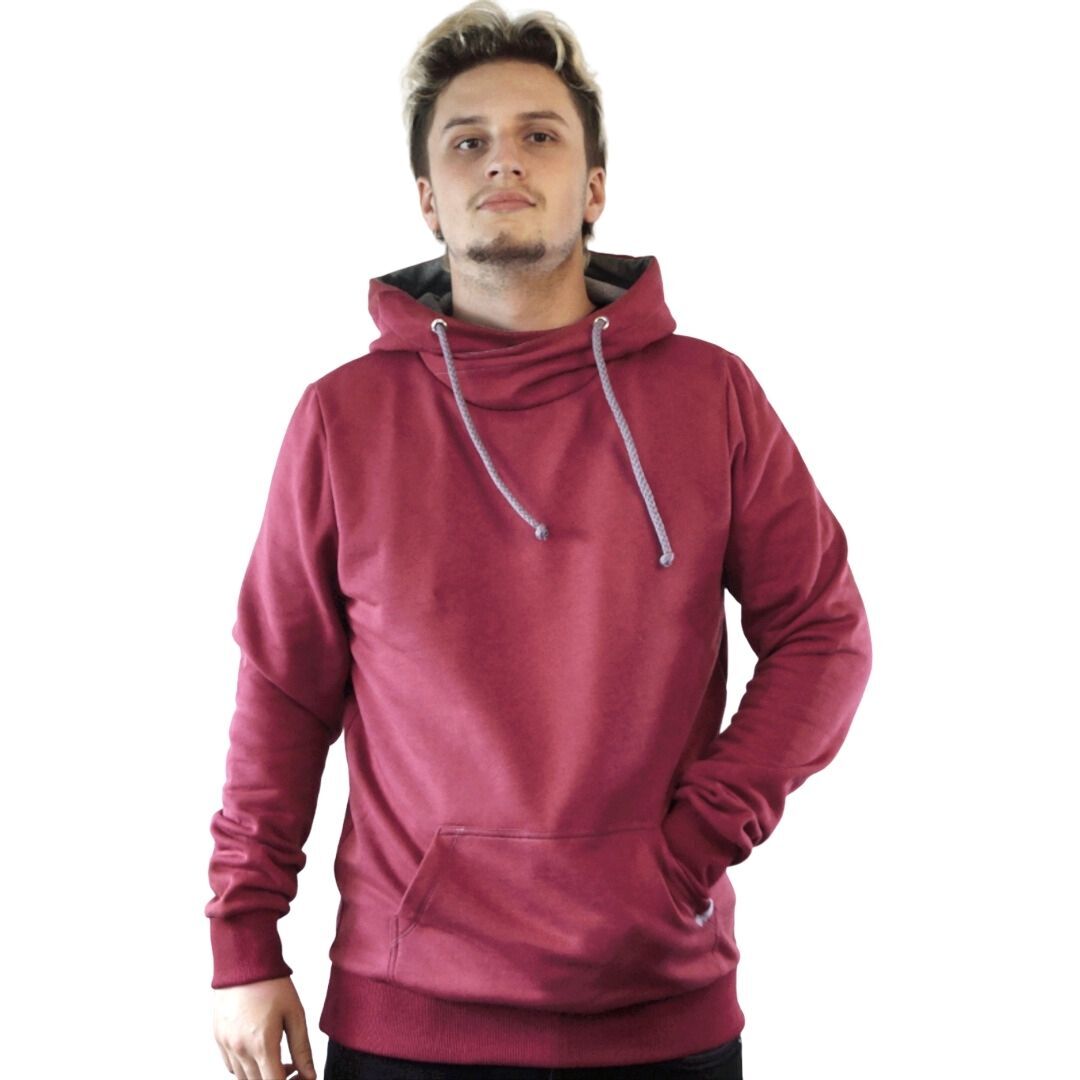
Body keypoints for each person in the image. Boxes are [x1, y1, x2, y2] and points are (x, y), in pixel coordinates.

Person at [205, 3, 874, 1078]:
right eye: (467, 140)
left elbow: (824, 633)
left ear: (595, 188)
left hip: (662, 1006)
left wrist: (695, 844)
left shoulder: (711, 395)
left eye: (539, 135)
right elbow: (284, 688)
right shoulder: (343, 420)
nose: (502, 160)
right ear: (428, 198)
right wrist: (244, 939)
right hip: (409, 1014)